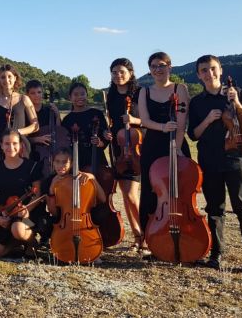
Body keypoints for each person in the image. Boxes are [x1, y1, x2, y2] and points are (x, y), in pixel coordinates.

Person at [188, 55, 242, 273]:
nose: (209, 73)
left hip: (236, 158)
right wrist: (207, 120)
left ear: (220, 70)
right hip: (209, 159)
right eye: (204, 70)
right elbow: (193, 135)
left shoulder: (238, 93)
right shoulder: (197, 103)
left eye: (213, 69)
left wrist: (237, 103)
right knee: (215, 209)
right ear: (198, 75)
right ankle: (216, 256)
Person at [137, 52, 190, 256]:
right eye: (153, 66)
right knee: (150, 192)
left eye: (161, 65)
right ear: (150, 70)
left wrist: (176, 147)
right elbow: (145, 121)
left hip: (175, 142)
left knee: (179, 192)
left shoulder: (180, 89)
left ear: (170, 67)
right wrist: (162, 126)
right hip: (152, 145)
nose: (157, 69)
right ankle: (148, 238)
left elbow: (182, 122)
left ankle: (182, 234)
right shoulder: (144, 92)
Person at [0, 129, 44, 258]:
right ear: (1, 145)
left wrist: (26, 210)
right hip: (5, 216)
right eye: (6, 144)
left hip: (28, 218)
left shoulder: (32, 166)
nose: (10, 147)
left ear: (21, 145)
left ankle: (32, 243)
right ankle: (15, 244)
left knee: (18, 228)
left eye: (14, 143)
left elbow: (37, 194)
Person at [104, 58, 143, 251]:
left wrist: (134, 119)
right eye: (114, 72)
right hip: (118, 149)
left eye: (122, 72)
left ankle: (144, 237)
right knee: (126, 197)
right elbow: (110, 122)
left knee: (132, 195)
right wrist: (107, 132)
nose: (118, 75)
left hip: (135, 146)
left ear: (130, 73)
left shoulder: (139, 93)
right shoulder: (109, 96)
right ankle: (137, 237)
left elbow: (147, 119)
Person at [46, 147, 106, 257]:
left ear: (72, 163)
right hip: (63, 220)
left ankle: (91, 248)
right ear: (53, 162)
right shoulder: (51, 180)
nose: (61, 165)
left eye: (65, 162)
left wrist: (92, 178)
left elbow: (103, 199)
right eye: (57, 162)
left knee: (101, 214)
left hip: (83, 218)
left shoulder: (81, 177)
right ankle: (61, 247)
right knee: (46, 222)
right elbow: (53, 211)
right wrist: (51, 189)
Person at [0, 64, 38, 164]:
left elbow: (35, 126)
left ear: (15, 78)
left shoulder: (23, 99)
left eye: (9, 76)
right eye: (3, 77)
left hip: (21, 146)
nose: (6, 80)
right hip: (1, 147)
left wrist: (17, 132)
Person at [61, 82, 109, 169]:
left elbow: (105, 135)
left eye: (82, 94)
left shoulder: (97, 113)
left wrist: (100, 143)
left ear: (87, 95)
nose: (80, 97)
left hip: (97, 158)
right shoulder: (67, 120)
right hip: (77, 160)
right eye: (76, 94)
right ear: (70, 97)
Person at [25, 79, 62, 176]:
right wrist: (37, 139)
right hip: (31, 152)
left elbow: (58, 130)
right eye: (33, 93)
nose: (37, 95)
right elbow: (22, 138)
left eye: (39, 92)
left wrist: (57, 115)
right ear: (27, 95)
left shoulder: (49, 110)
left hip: (51, 151)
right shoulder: (24, 113)